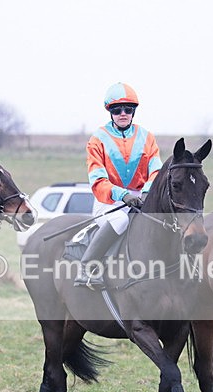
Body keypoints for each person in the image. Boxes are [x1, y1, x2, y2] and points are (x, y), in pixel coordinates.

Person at [74, 82, 163, 288]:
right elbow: (97, 180)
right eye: (117, 110)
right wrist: (123, 195)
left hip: (141, 198)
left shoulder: (147, 137)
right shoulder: (97, 139)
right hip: (110, 201)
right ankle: (87, 267)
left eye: (128, 109)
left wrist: (146, 192)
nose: (123, 113)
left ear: (133, 112)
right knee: (121, 221)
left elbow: (156, 170)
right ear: (110, 112)